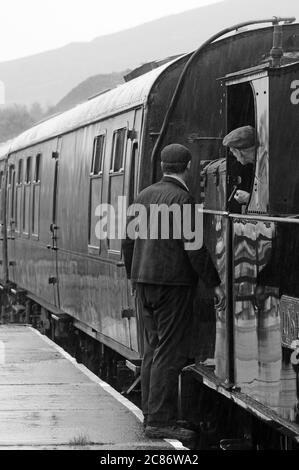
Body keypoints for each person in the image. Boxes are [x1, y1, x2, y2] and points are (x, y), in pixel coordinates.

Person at [122, 143, 225, 442]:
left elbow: (128, 242)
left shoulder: (143, 196)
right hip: (173, 285)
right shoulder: (183, 199)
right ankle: (160, 421)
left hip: (144, 282)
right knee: (169, 350)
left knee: (152, 349)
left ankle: (152, 414)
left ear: (164, 167)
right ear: (188, 167)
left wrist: (133, 276)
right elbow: (194, 248)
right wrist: (214, 283)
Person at [223, 125, 256, 208]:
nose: (234, 156)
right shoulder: (258, 164)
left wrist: (248, 198)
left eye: (233, 152)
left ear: (238, 152)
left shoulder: (265, 169)